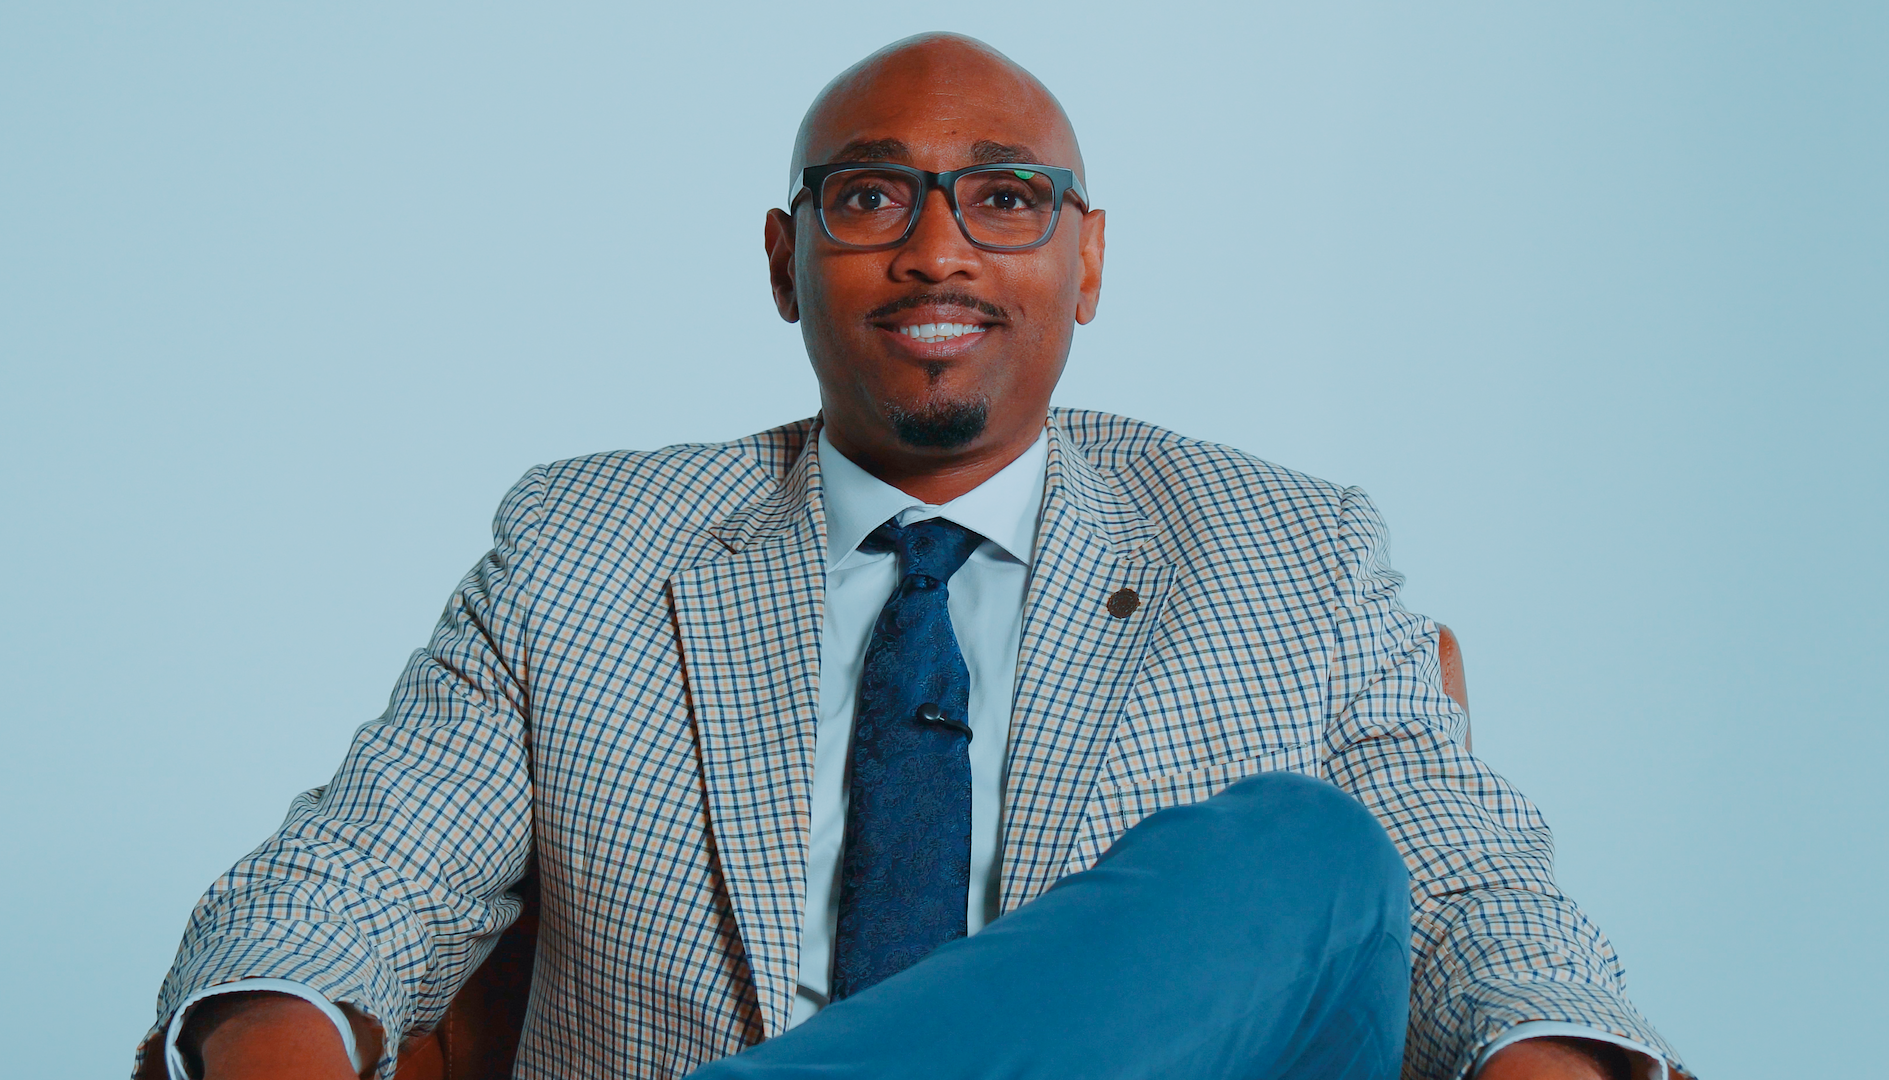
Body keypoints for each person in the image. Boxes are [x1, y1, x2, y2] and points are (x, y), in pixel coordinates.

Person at [137, 33, 1688, 1080]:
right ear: (785, 258)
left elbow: (1479, 904)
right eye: (871, 195)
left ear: (1088, 261)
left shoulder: (1292, 552)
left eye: (1005, 199)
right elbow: (355, 882)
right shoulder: (581, 550)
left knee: (1313, 858)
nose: (937, 249)